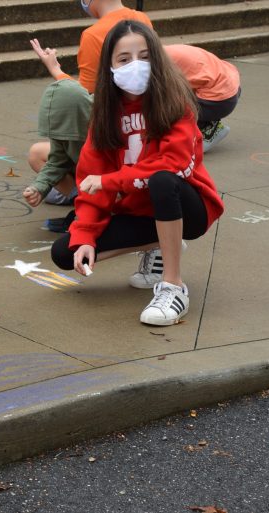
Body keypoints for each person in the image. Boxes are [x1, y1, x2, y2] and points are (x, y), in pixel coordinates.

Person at [50, 20, 224, 326]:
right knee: (67, 251)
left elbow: (174, 165)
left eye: (144, 56)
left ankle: (173, 287)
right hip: (141, 211)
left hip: (188, 208)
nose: (136, 65)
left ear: (157, 59)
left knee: (161, 181)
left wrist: (110, 180)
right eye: (124, 59)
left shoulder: (175, 103)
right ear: (110, 67)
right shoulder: (106, 116)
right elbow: (91, 183)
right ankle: (159, 243)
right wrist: (87, 235)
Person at [27, 1, 152, 204]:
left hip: (111, 130)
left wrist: (56, 71)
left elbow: (84, 97)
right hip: (138, 126)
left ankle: (86, 198)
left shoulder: (93, 34)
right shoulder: (141, 19)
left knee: (36, 154)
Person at [22, 77, 91, 232]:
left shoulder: (105, 128)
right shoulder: (64, 134)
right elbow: (56, 162)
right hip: (85, 176)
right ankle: (83, 202)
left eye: (63, 133)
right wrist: (39, 187)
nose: (59, 139)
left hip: (112, 183)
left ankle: (94, 209)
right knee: (51, 195)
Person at [163, 44, 241, 152]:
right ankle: (207, 122)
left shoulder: (158, 61)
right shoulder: (164, 50)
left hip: (222, 99)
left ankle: (207, 129)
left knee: (166, 106)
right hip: (231, 87)